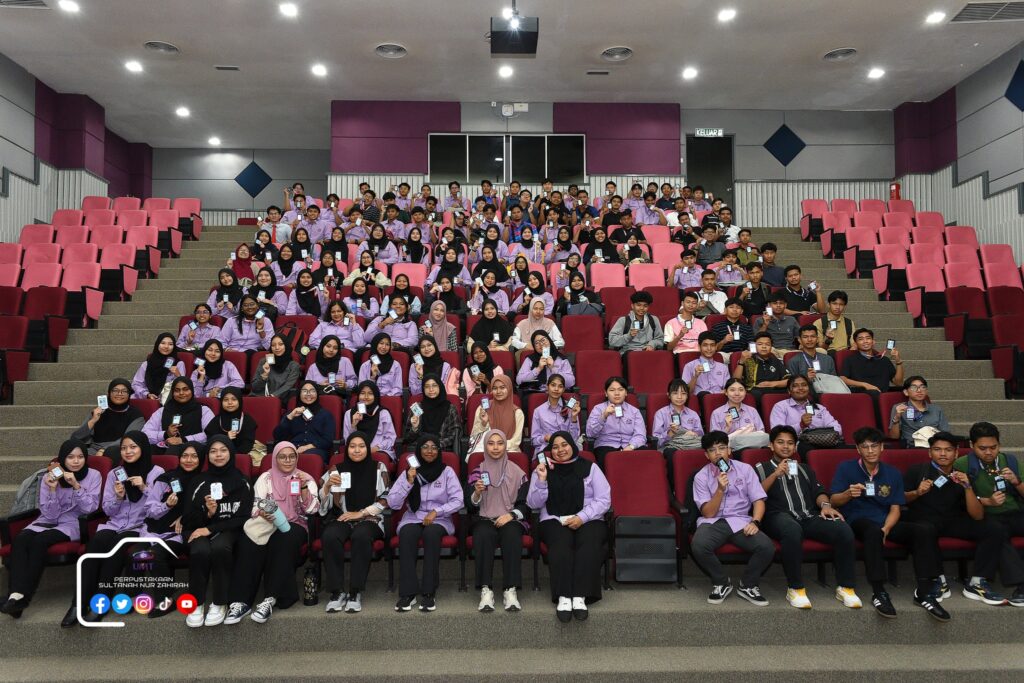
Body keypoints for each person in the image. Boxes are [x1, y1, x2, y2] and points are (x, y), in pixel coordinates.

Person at [830, 427, 949, 621]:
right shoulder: (846, 468)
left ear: (882, 447)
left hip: (885, 521)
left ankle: (924, 591)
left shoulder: (892, 473)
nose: (870, 451)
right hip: (857, 520)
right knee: (872, 531)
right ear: (858, 449)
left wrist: (886, 529)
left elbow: (895, 508)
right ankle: (879, 592)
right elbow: (834, 500)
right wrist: (847, 494)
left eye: (874, 446)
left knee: (924, 530)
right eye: (865, 447)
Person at [905, 431, 1020, 607]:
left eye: (948, 450)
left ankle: (977, 582)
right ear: (930, 452)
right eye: (937, 449)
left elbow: (977, 515)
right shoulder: (917, 470)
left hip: (954, 520)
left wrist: (967, 487)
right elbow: (900, 499)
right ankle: (938, 580)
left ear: (956, 453)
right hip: (925, 519)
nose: (943, 454)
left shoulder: (963, 475)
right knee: (925, 530)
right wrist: (917, 492)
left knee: (993, 528)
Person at [754, 425, 861, 609]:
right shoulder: (760, 468)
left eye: (790, 443)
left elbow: (819, 492)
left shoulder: (804, 469)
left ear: (795, 447)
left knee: (842, 528)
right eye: (780, 442)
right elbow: (755, 495)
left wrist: (825, 506)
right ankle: (795, 588)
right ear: (771, 445)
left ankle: (846, 587)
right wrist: (775, 474)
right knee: (791, 529)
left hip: (808, 515)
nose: (785, 446)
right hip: (776, 517)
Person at [1, 440, 100, 622]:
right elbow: (50, 515)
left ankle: (22, 598)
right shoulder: (50, 477)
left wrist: (76, 486)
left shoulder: (94, 475)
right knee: (21, 540)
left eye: (80, 457)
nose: (76, 461)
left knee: (40, 541)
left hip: (72, 523)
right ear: (62, 459)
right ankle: (15, 596)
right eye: (70, 457)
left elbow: (90, 509)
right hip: (47, 520)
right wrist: (53, 490)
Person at [223, 441, 319, 625]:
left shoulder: (305, 478)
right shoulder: (265, 478)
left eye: (291, 456)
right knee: (247, 541)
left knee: (283, 540)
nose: (288, 460)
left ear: (296, 458)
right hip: (267, 523)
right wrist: (262, 513)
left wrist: (304, 488)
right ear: (275, 458)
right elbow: (254, 505)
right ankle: (240, 602)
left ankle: (270, 598)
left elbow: (312, 510)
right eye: (282, 457)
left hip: (295, 523)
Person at [73, 432, 163, 624]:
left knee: (116, 546)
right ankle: (78, 604)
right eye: (123, 448)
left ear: (143, 448)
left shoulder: (157, 473)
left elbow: (158, 511)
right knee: (94, 545)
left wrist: (144, 488)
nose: (128, 451)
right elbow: (108, 509)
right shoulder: (115, 473)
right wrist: (118, 497)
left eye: (133, 447)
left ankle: (100, 603)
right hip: (116, 523)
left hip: (141, 526)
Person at [528, 432, 610, 622]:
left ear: (572, 445)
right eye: (555, 447)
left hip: (588, 518)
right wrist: (541, 480)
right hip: (554, 519)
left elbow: (604, 499)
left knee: (589, 541)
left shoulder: (590, 467)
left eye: (564, 445)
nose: (560, 450)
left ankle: (580, 596)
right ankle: (564, 596)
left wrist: (582, 517)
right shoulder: (542, 469)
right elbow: (533, 504)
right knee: (561, 543)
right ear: (550, 450)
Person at [690, 431, 774, 606]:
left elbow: (758, 500)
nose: (718, 453)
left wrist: (755, 522)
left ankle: (748, 585)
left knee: (766, 547)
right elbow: (708, 513)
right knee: (699, 545)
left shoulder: (745, 469)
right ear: (706, 455)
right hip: (713, 522)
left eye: (722, 448)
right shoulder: (701, 476)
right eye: (712, 450)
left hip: (740, 521)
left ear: (729, 450)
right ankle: (721, 582)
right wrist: (720, 490)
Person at [181, 435, 252, 627]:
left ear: (231, 452)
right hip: (198, 528)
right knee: (200, 550)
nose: (218, 455)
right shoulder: (198, 481)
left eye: (223, 450)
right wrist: (208, 513)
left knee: (221, 547)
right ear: (208, 455)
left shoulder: (243, 481)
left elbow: (243, 518)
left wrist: (210, 528)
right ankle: (196, 602)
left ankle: (220, 602)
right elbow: (187, 519)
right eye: (213, 451)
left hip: (229, 529)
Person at [388, 435, 463, 612]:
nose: (430, 451)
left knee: (431, 534)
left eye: (434, 447)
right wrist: (409, 482)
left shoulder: (447, 472)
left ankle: (429, 592)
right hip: (413, 517)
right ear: (418, 450)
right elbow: (393, 503)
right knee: (407, 534)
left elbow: (458, 500)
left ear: (439, 451)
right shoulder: (410, 471)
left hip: (439, 519)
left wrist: (437, 511)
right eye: (425, 447)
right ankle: (408, 593)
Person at [319, 432, 391, 613]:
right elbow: (323, 505)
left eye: (361, 446)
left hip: (370, 518)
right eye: (352, 446)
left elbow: (386, 499)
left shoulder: (379, 467)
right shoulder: (336, 469)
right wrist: (327, 487)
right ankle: (337, 592)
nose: (357, 450)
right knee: (330, 535)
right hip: (343, 516)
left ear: (367, 448)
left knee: (361, 535)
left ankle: (355, 591)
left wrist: (361, 513)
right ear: (346, 449)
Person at [954, 421, 1024, 603]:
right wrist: (987, 501)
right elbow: (960, 501)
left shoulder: (1010, 461)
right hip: (987, 517)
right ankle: (1021, 585)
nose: (988, 452)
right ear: (972, 445)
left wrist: (1017, 482)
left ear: (999, 444)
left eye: (993, 447)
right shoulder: (962, 464)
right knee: (997, 533)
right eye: (982, 448)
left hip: (1015, 512)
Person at [467, 430, 530, 612]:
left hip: (510, 518)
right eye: (491, 443)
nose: (495, 447)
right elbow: (469, 505)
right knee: (483, 534)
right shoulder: (477, 471)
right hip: (484, 517)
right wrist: (477, 493)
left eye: (500, 443)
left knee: (512, 534)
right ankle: (486, 589)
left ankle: (510, 590)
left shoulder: (517, 472)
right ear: (485, 446)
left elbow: (526, 503)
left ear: (505, 446)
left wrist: (511, 515)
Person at [768, 375, 843, 453]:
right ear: (789, 391)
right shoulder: (781, 407)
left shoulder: (819, 408)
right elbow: (778, 433)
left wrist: (824, 436)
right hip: (799, 444)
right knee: (807, 449)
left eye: (804, 385)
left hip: (825, 441)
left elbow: (837, 427)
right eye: (795, 386)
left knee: (844, 448)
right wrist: (801, 425)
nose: (801, 388)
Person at [71, 378, 144, 456]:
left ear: (129, 394)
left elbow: (129, 438)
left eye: (124, 391)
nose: (119, 393)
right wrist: (93, 420)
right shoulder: (99, 411)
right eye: (115, 390)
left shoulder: (135, 414)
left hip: (118, 449)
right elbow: (76, 438)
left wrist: (104, 450)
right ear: (109, 393)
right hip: (93, 449)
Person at [585, 376, 646, 467]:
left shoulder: (634, 411)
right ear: (606, 393)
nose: (617, 393)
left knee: (646, 457)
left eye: (621, 390)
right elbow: (590, 434)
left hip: (630, 445)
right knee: (608, 460)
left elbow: (640, 435)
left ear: (626, 392)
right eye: (612, 390)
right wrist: (604, 416)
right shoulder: (598, 409)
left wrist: (631, 447)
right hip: (606, 446)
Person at [141, 378, 215, 452]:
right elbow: (144, 434)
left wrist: (184, 440)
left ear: (192, 391)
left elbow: (211, 433)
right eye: (177, 390)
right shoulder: (162, 411)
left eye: (185, 389)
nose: (181, 393)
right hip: (165, 448)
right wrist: (165, 434)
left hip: (193, 451)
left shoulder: (203, 410)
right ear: (172, 392)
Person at [273, 381, 336, 464]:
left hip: (316, 450)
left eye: (312, 391)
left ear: (317, 394)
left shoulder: (326, 415)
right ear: (299, 394)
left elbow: (328, 440)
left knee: (308, 458)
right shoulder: (292, 413)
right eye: (305, 391)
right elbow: (278, 436)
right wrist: (290, 417)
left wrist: (307, 447)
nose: (308, 394)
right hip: (292, 449)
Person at [402, 374, 463, 452]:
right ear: (423, 389)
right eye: (427, 386)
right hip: (419, 449)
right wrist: (414, 428)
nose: (431, 389)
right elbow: (408, 438)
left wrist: (435, 445)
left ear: (440, 387)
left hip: (442, 450)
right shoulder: (417, 408)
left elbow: (454, 435)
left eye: (434, 385)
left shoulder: (450, 408)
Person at [887, 376, 950, 448]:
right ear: (906, 392)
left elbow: (946, 433)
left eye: (923, 387)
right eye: (914, 387)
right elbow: (894, 437)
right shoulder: (900, 408)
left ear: (926, 391)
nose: (919, 390)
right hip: (913, 447)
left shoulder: (936, 409)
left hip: (935, 447)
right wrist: (897, 418)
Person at [342, 380, 397, 461]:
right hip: (356, 451)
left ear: (375, 396)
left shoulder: (383, 413)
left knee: (379, 458)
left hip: (379, 450)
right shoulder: (349, 414)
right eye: (362, 393)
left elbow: (390, 438)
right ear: (358, 395)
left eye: (370, 393)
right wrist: (353, 426)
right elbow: (348, 441)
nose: (366, 397)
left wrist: (376, 448)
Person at [469, 375, 525, 453]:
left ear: (509, 389)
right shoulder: (483, 409)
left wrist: (498, 446)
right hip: (486, 448)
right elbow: (474, 435)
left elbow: (516, 441)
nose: (498, 392)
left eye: (502, 387)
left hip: (509, 449)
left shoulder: (517, 413)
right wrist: (484, 423)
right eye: (495, 388)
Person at [841, 329, 904, 397]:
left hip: (883, 394)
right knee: (874, 393)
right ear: (855, 344)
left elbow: (898, 383)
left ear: (873, 342)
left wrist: (898, 362)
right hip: (862, 394)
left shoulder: (884, 360)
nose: (865, 341)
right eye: (861, 339)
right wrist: (864, 385)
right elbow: (843, 379)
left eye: (868, 338)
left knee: (907, 390)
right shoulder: (850, 360)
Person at [709, 379, 769, 450]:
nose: (737, 393)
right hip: (729, 449)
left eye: (741, 390)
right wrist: (727, 428)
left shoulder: (752, 411)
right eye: (732, 390)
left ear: (745, 392)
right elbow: (714, 440)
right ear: (726, 392)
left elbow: (761, 433)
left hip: (751, 447)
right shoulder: (717, 413)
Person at [530, 374, 583, 453]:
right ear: (547, 387)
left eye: (560, 386)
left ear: (563, 389)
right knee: (541, 459)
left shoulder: (570, 408)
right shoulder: (538, 411)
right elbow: (534, 441)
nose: (556, 389)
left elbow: (574, 438)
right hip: (546, 450)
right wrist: (545, 438)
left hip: (566, 450)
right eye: (553, 385)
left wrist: (574, 417)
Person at [732, 332, 790, 399]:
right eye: (760, 344)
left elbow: (789, 381)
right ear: (754, 346)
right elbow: (735, 381)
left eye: (767, 344)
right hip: (755, 391)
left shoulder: (775, 361)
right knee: (756, 393)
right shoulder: (747, 360)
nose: (764, 347)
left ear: (771, 347)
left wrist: (771, 384)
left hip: (774, 390)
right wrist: (741, 362)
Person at [652, 379, 703, 454]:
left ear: (687, 396)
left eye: (683, 393)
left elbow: (701, 435)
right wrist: (669, 433)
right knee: (671, 452)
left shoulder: (693, 414)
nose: (679, 397)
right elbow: (656, 441)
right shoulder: (661, 413)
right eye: (675, 393)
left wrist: (694, 434)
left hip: (691, 446)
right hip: (671, 447)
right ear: (668, 395)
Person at [204, 387, 257, 455]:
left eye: (234, 399)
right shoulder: (217, 420)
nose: (230, 402)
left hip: (241, 455)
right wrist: (226, 437)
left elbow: (248, 443)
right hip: (219, 455)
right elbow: (211, 442)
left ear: (239, 401)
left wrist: (234, 455)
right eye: (226, 400)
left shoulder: (247, 420)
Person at [131, 332, 185, 399]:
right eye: (163, 343)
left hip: (168, 399)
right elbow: (136, 384)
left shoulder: (179, 364)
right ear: (157, 345)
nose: (166, 346)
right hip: (147, 397)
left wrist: (178, 375)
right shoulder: (147, 364)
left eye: (170, 344)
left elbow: (183, 387)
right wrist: (147, 394)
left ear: (174, 347)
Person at [250, 334, 302, 399]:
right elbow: (255, 388)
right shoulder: (265, 361)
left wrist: (272, 397)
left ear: (286, 345)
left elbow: (287, 386)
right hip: (258, 397)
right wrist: (264, 375)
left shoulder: (294, 366)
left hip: (277, 399)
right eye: (273, 345)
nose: (277, 348)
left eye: (280, 344)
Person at [681, 332, 730, 396]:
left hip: (719, 398)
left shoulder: (723, 368)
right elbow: (686, 392)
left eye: (712, 345)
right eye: (705, 345)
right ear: (699, 347)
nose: (709, 348)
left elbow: (728, 389)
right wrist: (695, 376)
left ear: (716, 347)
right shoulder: (689, 366)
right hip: (700, 399)